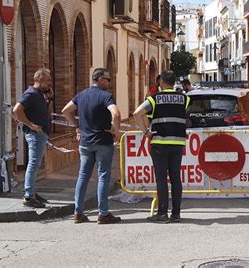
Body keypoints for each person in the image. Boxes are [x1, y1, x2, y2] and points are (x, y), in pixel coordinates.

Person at [62, 68, 122, 224]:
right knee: (103, 176)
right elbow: (115, 114)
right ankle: (103, 213)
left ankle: (78, 212)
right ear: (101, 79)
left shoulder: (81, 95)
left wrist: (77, 126)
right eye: (108, 79)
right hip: (103, 141)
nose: (110, 82)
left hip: (85, 142)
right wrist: (116, 132)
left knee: (83, 176)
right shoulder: (106, 96)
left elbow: (66, 111)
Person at [133, 70, 190, 223]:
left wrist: (145, 132)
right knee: (176, 178)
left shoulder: (154, 99)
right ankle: (176, 214)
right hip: (178, 142)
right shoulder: (184, 98)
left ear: (162, 82)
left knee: (161, 179)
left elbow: (137, 113)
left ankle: (162, 214)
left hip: (160, 143)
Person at [13, 68, 53, 208]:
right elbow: (17, 109)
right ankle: (29, 197)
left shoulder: (39, 94)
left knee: (35, 165)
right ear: (40, 79)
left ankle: (33, 193)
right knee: (33, 165)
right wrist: (30, 125)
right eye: (48, 80)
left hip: (40, 135)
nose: (50, 83)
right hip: (35, 135)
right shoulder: (30, 93)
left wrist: (48, 99)